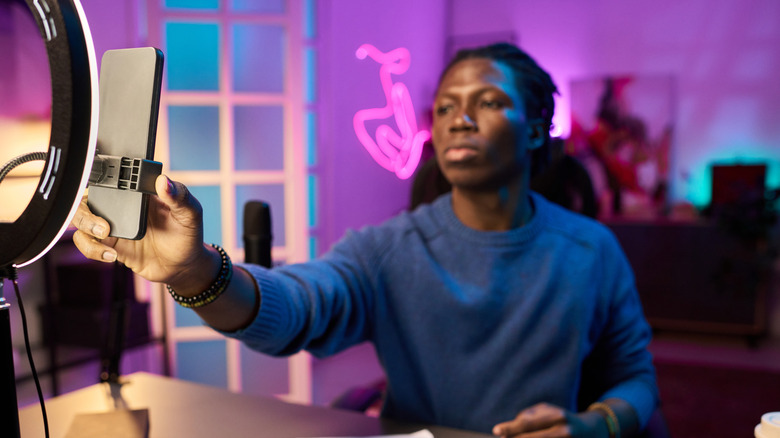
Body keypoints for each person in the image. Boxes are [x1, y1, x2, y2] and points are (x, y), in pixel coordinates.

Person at [71, 43, 658, 437]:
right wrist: (195, 271)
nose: (459, 117)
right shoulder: (388, 249)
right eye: (447, 106)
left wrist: (597, 424)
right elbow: (297, 307)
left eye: (490, 102)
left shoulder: (592, 250)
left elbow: (636, 377)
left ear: (535, 130)